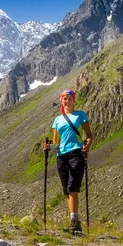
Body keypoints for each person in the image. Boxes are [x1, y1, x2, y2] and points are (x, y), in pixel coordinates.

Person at [43, 89, 93, 234]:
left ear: (74, 100)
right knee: (67, 190)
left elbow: (89, 136)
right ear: (62, 101)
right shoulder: (57, 120)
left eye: (69, 98)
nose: (67, 101)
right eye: (64, 99)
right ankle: (74, 220)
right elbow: (56, 142)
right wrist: (49, 147)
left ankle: (74, 219)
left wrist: (87, 145)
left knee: (72, 187)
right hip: (61, 156)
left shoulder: (81, 115)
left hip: (76, 153)